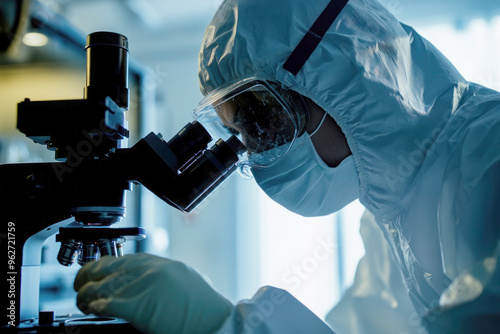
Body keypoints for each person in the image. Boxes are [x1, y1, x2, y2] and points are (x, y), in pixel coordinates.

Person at [74, 0, 500, 333]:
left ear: (354, 74)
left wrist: (222, 328)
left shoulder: (491, 160)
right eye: (239, 135)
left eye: (263, 119)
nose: (258, 156)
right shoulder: (390, 224)